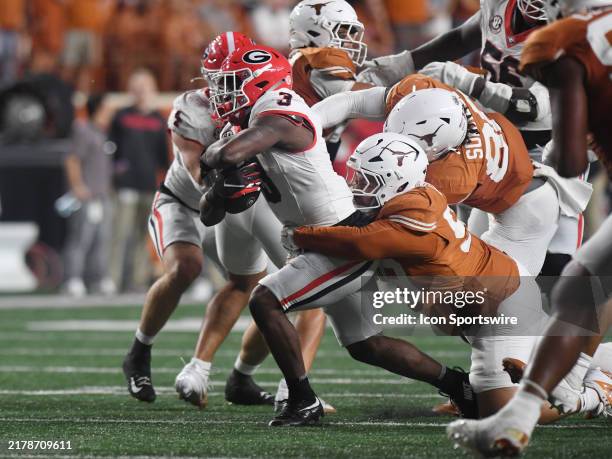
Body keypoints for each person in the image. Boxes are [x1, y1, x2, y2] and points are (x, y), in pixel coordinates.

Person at [201, 44, 492, 426]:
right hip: (319, 235)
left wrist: (214, 155)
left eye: (231, 83)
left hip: (343, 235)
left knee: (266, 300)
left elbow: (223, 156)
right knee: (365, 345)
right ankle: (459, 386)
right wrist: (222, 189)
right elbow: (211, 212)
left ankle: (302, 399)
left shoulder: (279, 111)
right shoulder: (243, 128)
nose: (223, 94)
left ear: (260, 81)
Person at [123, 34, 330, 412]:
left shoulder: (262, 106)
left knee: (263, 285)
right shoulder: (193, 107)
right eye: (216, 79)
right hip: (185, 200)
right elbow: (201, 178)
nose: (219, 90)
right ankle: (140, 350)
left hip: (237, 200)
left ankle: (238, 376)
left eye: (229, 80)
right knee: (186, 267)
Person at [447, 0, 612, 455]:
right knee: (575, 284)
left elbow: (570, 159)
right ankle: (528, 403)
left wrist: (548, 160)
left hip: (537, 174)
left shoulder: (563, 43)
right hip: (523, 180)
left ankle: (583, 389)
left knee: (576, 282)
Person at [357, 0, 589, 276]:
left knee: (557, 259)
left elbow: (534, 107)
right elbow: (463, 36)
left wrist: (470, 82)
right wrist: (405, 62)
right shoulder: (500, 5)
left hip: (549, 146)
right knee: (473, 243)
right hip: (497, 137)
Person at [109, 68, 169, 292]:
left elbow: (163, 158)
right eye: (138, 86)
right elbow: (111, 150)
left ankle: (138, 279)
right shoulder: (122, 115)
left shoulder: (158, 119)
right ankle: (112, 279)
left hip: (148, 184)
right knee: (119, 234)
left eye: (145, 86)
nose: (142, 91)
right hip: (125, 185)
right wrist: (115, 175)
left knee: (144, 237)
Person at [62, 93, 116, 296]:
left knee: (102, 238)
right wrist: (77, 186)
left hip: (102, 195)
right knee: (81, 238)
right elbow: (72, 160)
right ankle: (73, 278)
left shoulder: (103, 133)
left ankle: (98, 278)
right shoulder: (83, 130)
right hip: (87, 195)